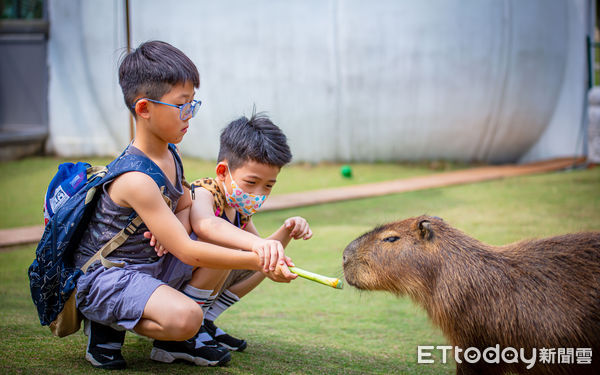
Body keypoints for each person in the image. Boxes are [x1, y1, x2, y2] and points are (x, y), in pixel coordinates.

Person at [72, 40, 295, 370]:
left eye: (193, 103)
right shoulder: (136, 178)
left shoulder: (170, 155)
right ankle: (106, 321)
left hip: (150, 266)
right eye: (182, 104)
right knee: (188, 316)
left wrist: (171, 227)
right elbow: (189, 253)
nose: (190, 114)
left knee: (217, 245)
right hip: (109, 277)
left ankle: (174, 340)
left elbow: (184, 210)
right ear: (144, 109)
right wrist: (259, 257)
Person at [184, 113, 313, 351]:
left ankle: (203, 322)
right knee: (229, 248)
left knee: (264, 263)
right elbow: (207, 225)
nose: (258, 193)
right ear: (223, 172)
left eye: (268, 186)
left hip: (202, 279)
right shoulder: (206, 191)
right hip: (175, 279)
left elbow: (261, 247)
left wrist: (287, 229)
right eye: (251, 182)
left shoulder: (239, 210)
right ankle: (182, 336)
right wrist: (259, 247)